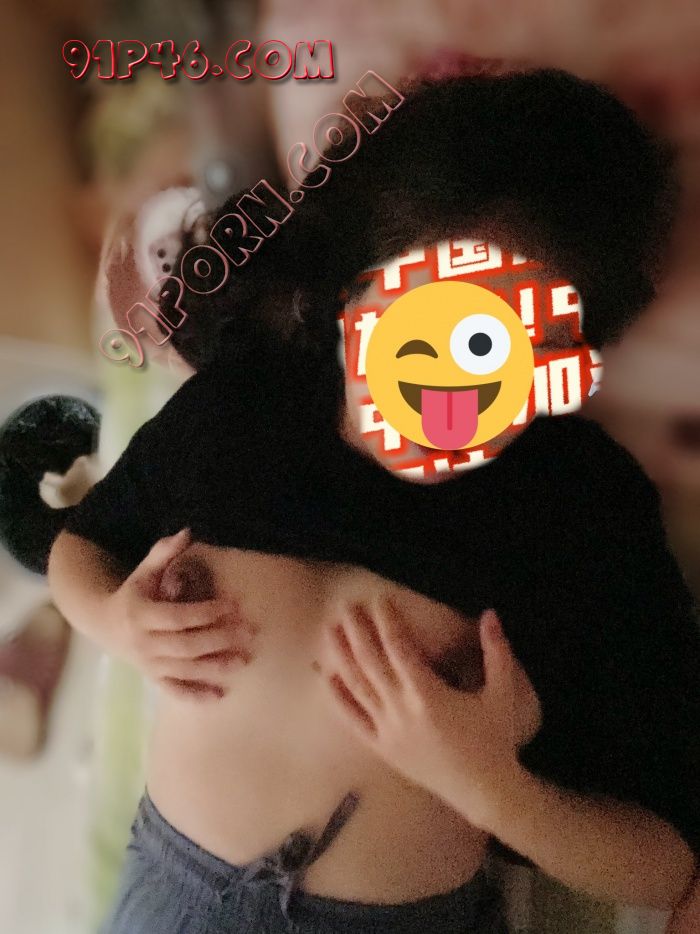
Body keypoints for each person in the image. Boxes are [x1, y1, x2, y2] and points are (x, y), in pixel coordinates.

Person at [9, 71, 700, 932]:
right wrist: (112, 620)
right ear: (352, 298)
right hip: (171, 894)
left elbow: (669, 866)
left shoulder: (578, 508)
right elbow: (83, 544)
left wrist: (491, 788)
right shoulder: (243, 413)